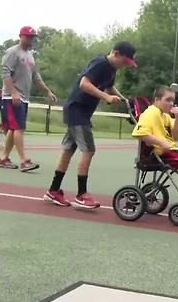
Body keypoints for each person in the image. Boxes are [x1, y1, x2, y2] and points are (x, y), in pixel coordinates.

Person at [44, 41, 137, 209]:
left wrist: (123, 99)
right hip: (76, 110)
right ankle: (81, 194)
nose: (125, 66)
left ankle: (53, 190)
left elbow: (109, 87)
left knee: (68, 151)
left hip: (81, 112)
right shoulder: (100, 63)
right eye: (125, 61)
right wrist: (106, 97)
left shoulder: (112, 69)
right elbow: (84, 84)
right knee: (89, 150)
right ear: (116, 54)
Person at [0, 26, 58, 172]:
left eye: (32, 37)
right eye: (28, 36)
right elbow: (5, 73)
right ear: (20, 36)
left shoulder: (30, 55)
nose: (31, 39)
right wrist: (13, 93)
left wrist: (48, 92)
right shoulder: (12, 52)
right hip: (12, 97)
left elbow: (36, 77)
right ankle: (24, 161)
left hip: (24, 98)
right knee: (19, 128)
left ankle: (4, 158)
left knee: (14, 129)